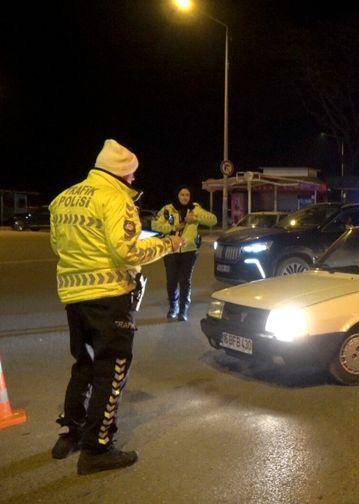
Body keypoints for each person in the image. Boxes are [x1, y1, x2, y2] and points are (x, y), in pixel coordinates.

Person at [49, 139, 186, 475]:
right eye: (132, 174)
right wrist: (168, 244)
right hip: (109, 297)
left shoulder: (63, 198)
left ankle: (72, 432)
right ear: (122, 173)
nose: (134, 179)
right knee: (111, 370)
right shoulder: (115, 198)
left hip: (73, 297)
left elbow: (58, 245)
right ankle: (97, 449)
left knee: (84, 365)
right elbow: (128, 252)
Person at [152, 186, 217, 321]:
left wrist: (196, 217)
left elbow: (213, 220)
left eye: (187, 195)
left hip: (189, 250)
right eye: (182, 194)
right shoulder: (167, 210)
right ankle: (173, 306)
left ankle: (183, 310)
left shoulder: (195, 209)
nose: (185, 197)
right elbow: (155, 225)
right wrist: (174, 227)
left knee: (184, 281)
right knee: (171, 280)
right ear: (177, 195)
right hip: (171, 249)